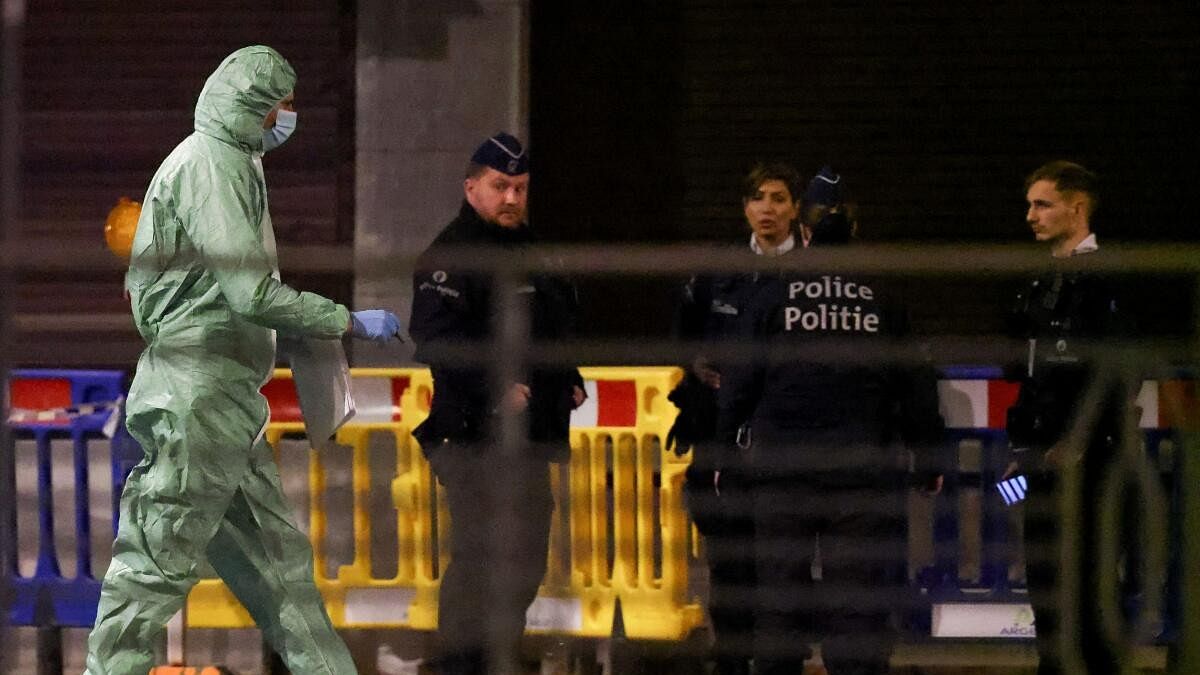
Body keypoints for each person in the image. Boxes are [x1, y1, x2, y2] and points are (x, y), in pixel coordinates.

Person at [84, 46, 402, 675]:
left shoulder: (230, 161)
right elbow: (248, 291)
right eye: (283, 105)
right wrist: (343, 319)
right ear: (257, 105)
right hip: (198, 396)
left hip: (221, 400)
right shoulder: (212, 165)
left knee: (279, 571)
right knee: (155, 561)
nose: (290, 117)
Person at [715, 169, 945, 674]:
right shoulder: (883, 295)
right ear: (856, 229)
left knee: (778, 602)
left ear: (807, 228)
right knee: (856, 607)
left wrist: (724, 454)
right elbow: (916, 383)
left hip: (782, 473)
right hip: (861, 475)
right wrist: (930, 455)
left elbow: (739, 383)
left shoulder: (773, 292)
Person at [408, 132, 585, 675]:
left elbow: (551, 328)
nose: (511, 198)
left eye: (521, 188)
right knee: (480, 565)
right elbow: (436, 340)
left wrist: (567, 378)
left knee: (524, 564)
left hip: (529, 440)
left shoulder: (531, 251)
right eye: (500, 186)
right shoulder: (452, 254)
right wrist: (493, 388)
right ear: (472, 187)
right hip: (473, 438)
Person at [668, 161, 803, 675]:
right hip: (720, 439)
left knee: (782, 564)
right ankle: (730, 659)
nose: (767, 209)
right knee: (728, 560)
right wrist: (698, 366)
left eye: (778, 198)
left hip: (785, 439)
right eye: (757, 199)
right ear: (744, 207)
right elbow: (684, 337)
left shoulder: (811, 271)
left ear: (794, 207)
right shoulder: (717, 269)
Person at [1004, 160, 1129, 675]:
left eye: (1043, 204)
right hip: (1038, 459)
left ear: (1076, 208)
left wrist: (1076, 443)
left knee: (1086, 593)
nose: (1030, 215)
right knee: (1045, 587)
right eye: (1029, 204)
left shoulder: (1105, 279)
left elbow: (1118, 372)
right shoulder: (1040, 280)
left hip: (1088, 462)